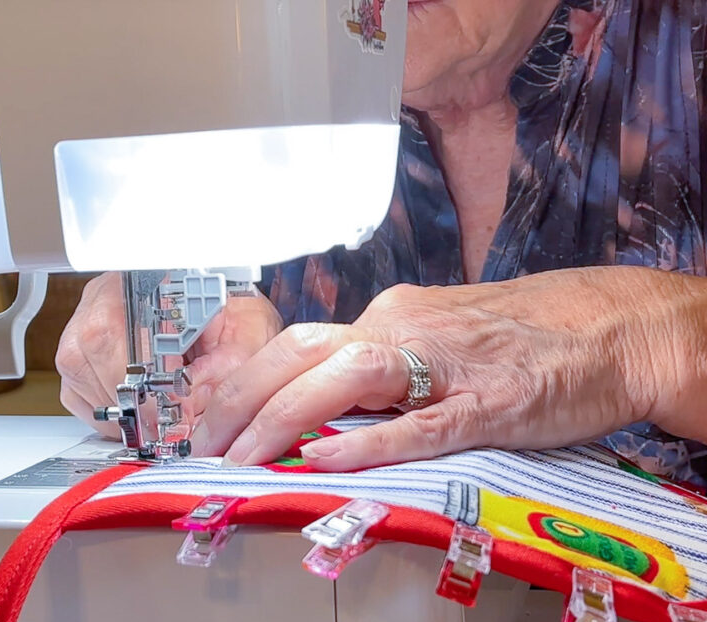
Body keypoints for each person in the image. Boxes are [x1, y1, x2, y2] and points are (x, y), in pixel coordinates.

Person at [57, 0, 707, 488]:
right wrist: (191, 303)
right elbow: (193, 273)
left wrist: (644, 337)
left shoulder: (683, 47)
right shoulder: (264, 60)